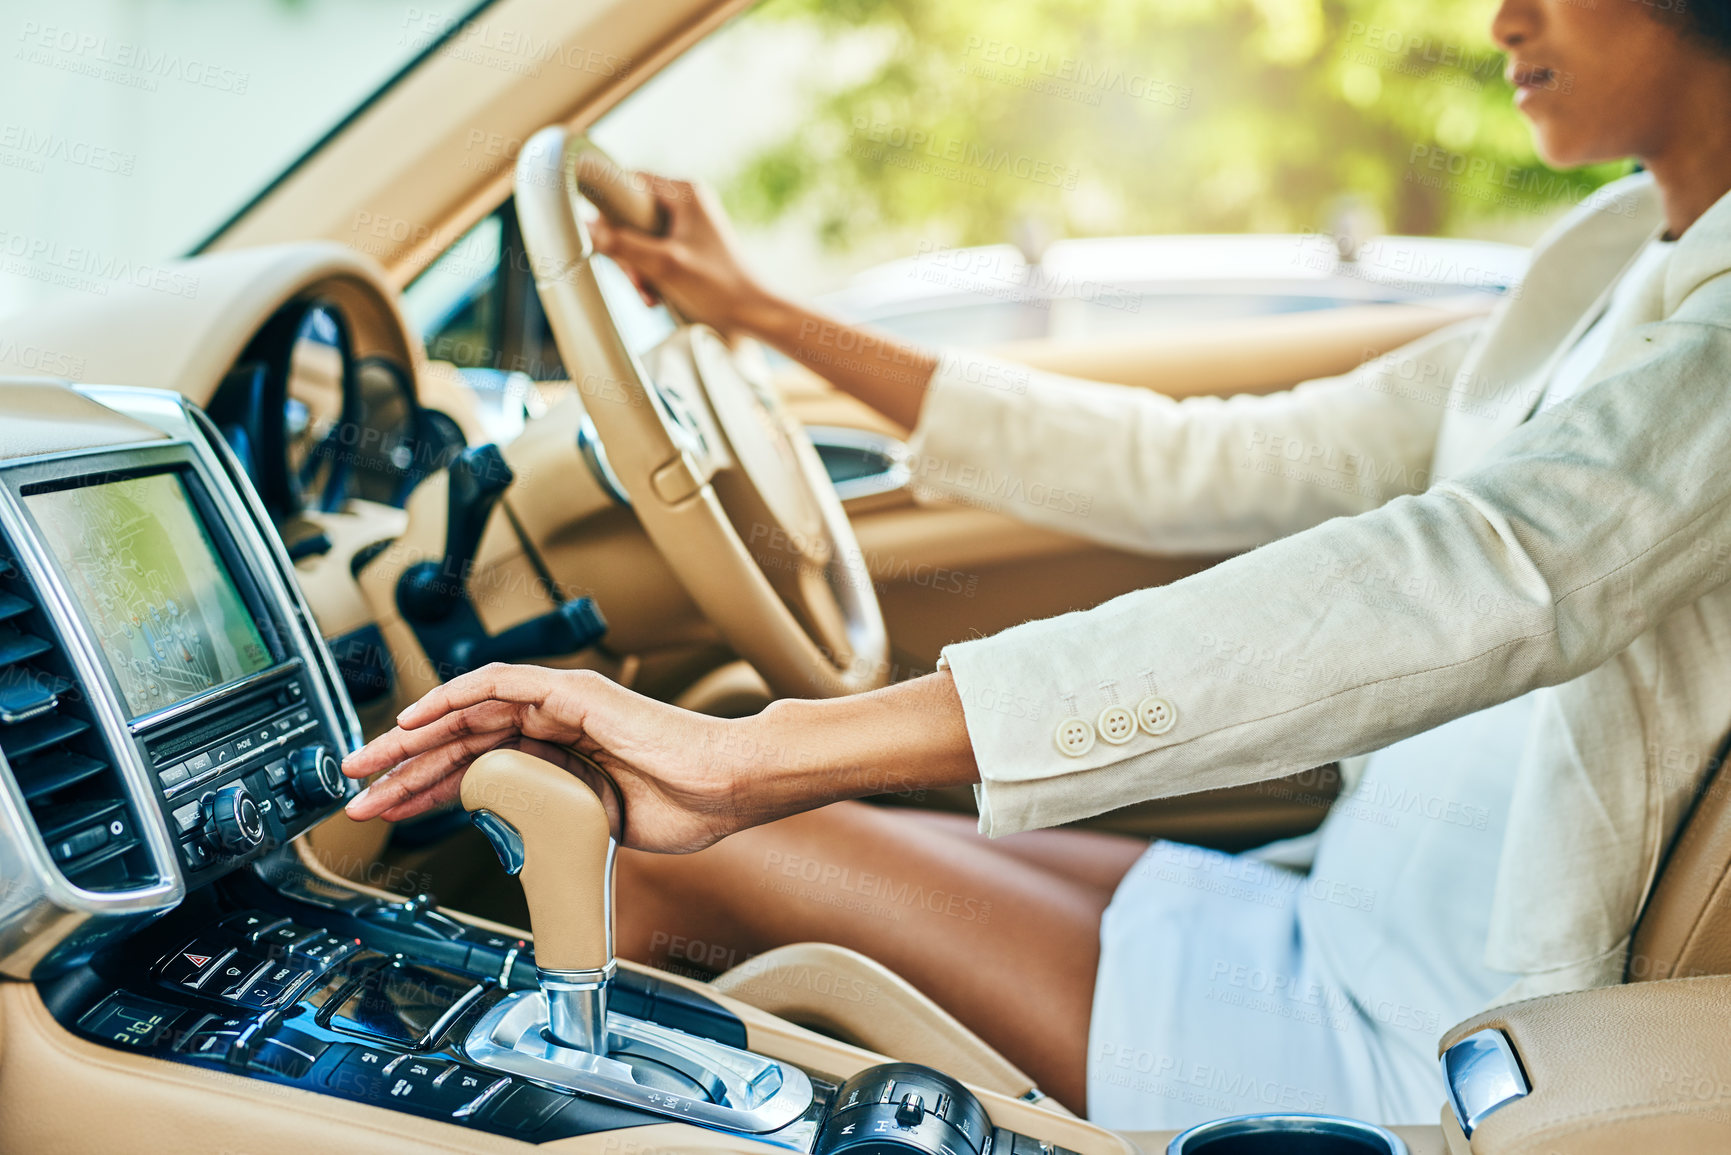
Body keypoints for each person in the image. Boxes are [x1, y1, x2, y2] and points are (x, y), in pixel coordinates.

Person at [341, 0, 1731, 1129]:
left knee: (661, 871)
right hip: (1333, 905)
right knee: (729, 837)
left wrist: (761, 754)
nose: (1502, 18)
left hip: (1443, 1034)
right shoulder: (1611, 251)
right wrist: (764, 316)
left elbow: (1462, 578)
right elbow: (1219, 461)